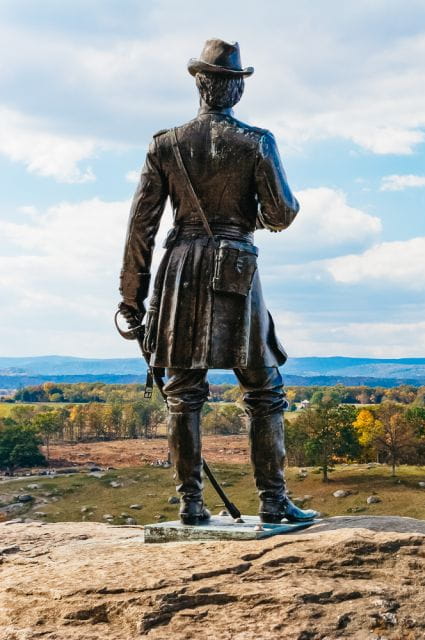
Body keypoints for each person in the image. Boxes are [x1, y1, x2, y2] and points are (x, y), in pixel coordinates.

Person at [118, 39, 316, 525]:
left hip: (180, 268)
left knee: (184, 390)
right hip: (235, 267)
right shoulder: (256, 142)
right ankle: (273, 500)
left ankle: (191, 504)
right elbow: (282, 213)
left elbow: (141, 226)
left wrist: (131, 297)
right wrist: (249, 218)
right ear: (235, 89)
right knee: (263, 388)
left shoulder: (166, 144)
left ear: (200, 85)